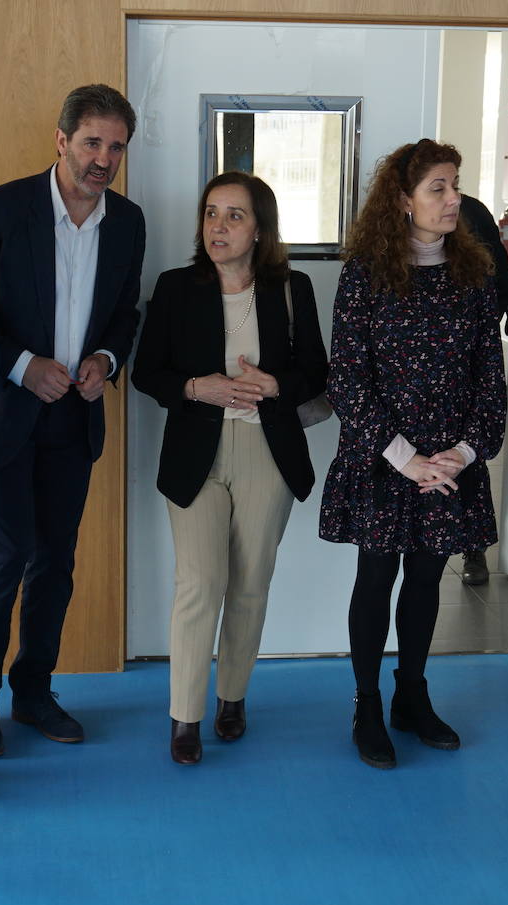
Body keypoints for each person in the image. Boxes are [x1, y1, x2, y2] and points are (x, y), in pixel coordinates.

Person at [0, 84, 144, 756]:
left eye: (116, 146)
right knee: (2, 559)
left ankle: (33, 691)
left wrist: (106, 359)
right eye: (92, 142)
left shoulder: (127, 221)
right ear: (61, 141)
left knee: (55, 564)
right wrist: (22, 365)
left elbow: (126, 314)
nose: (104, 158)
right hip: (6, 418)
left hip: (73, 420)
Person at [320, 140, 506, 769]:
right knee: (376, 577)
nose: (455, 199)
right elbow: (346, 378)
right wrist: (404, 457)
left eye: (455, 184)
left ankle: (412, 696)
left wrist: (463, 451)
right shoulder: (364, 274)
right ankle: (367, 704)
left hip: (447, 464)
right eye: (438, 188)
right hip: (386, 458)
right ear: (402, 200)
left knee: (427, 577)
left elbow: (490, 375)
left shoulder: (475, 274)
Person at [132, 172, 328, 764]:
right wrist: (198, 387)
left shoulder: (293, 288)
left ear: (260, 228)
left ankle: (233, 697)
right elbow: (147, 374)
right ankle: (184, 718)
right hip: (196, 455)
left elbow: (317, 373)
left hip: (267, 454)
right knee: (199, 584)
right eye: (211, 213)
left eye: (234, 215)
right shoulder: (174, 287)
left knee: (249, 585)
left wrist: (275, 385)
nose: (218, 226)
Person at [455, 193, 508, 585]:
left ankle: (473, 550)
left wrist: (477, 331)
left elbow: (501, 282)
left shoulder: (471, 211)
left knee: (469, 458)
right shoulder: (393, 222)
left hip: (468, 359)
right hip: (409, 375)